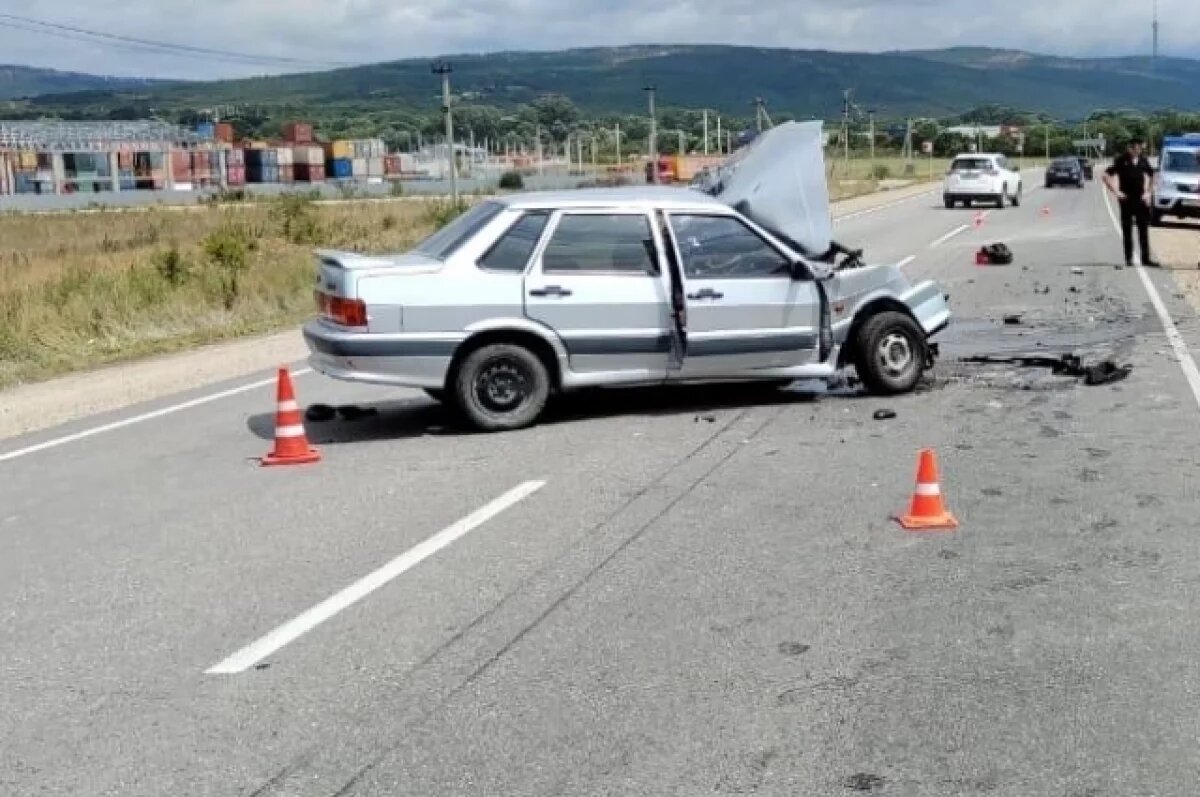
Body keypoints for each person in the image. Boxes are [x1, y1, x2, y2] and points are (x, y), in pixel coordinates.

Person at [1103, 138, 1160, 267]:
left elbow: (1153, 175)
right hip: (1126, 199)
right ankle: (1129, 258)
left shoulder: (1143, 160)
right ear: (1130, 148)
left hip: (1140, 198)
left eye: (1139, 148)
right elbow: (1105, 175)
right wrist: (1116, 192)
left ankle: (1146, 259)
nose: (1137, 151)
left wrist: (1148, 192)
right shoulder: (1121, 160)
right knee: (1127, 229)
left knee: (1143, 230)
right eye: (1134, 148)